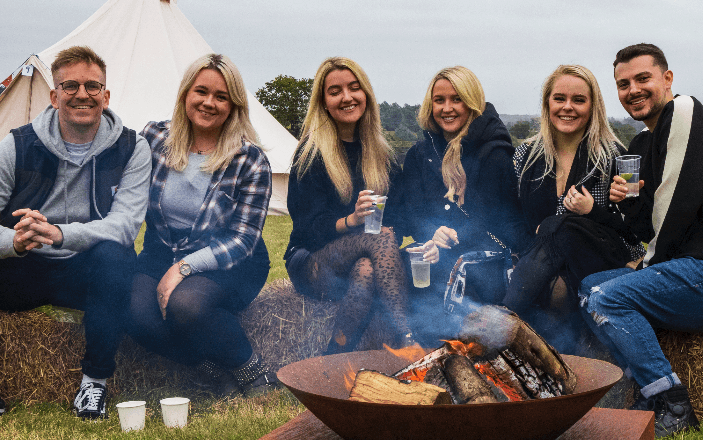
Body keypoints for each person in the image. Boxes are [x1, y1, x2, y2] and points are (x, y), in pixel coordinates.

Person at [0, 46, 152, 432]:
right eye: (70, 86)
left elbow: (124, 227)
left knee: (116, 256)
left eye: (91, 86)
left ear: (106, 95)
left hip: (86, 273)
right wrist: (12, 241)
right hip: (24, 265)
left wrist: (60, 233)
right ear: (54, 96)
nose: (81, 94)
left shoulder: (132, 148)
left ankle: (94, 384)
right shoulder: (18, 145)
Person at [579, 44, 703, 437]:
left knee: (606, 296)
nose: (632, 89)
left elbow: (674, 206)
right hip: (694, 270)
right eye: (623, 84)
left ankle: (670, 403)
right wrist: (629, 201)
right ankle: (637, 390)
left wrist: (646, 266)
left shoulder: (683, 111)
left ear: (667, 80)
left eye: (642, 78)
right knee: (590, 288)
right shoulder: (639, 146)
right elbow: (646, 229)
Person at [128, 54, 277, 397]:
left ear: (234, 106)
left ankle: (252, 371)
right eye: (201, 92)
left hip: (232, 261)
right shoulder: (153, 137)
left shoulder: (250, 159)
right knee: (132, 311)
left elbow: (243, 239)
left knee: (186, 304)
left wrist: (183, 268)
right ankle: (209, 367)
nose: (209, 103)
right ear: (185, 95)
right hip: (160, 252)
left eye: (221, 96)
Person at [285, 57, 422, 354]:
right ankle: (408, 341)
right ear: (323, 102)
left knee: (366, 269)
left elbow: (404, 218)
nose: (347, 97)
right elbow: (307, 229)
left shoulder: (380, 153)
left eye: (354, 88)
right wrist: (352, 220)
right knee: (380, 239)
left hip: (360, 265)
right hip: (314, 263)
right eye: (335, 91)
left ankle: (334, 356)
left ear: (366, 96)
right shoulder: (311, 153)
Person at [502, 65, 644, 352]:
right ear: (547, 104)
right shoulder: (526, 155)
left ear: (593, 107)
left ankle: (504, 319)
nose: (568, 107)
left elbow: (634, 229)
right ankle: (559, 365)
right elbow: (510, 216)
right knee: (553, 281)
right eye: (559, 99)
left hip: (597, 257)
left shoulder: (616, 156)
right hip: (536, 261)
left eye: (579, 100)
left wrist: (593, 210)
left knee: (559, 225)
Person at [392, 66, 529, 339]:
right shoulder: (420, 154)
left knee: (445, 273)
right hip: (435, 249)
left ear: (472, 102)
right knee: (399, 264)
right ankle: (408, 344)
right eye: (439, 100)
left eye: (457, 99)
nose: (447, 108)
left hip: (485, 255)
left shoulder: (494, 151)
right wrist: (431, 234)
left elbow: (497, 217)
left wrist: (456, 236)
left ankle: (453, 347)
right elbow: (412, 214)